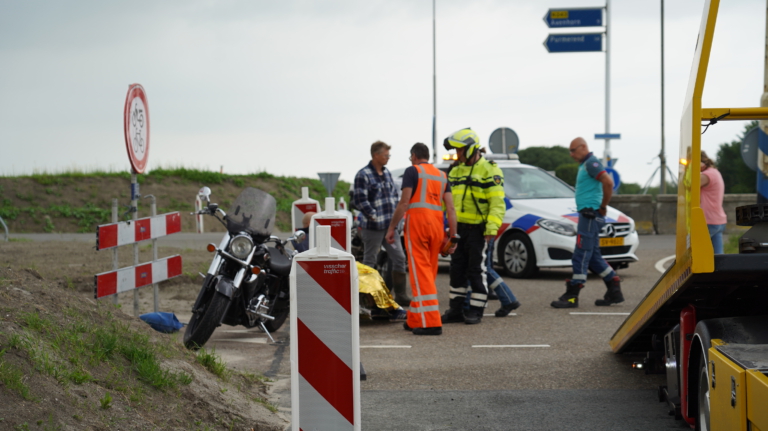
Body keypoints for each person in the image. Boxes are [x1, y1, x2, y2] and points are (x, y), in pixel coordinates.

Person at [386, 143, 457, 335]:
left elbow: (404, 202)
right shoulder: (442, 176)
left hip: (418, 225)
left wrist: (392, 227)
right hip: (437, 228)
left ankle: (432, 323)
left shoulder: (413, 171)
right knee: (428, 273)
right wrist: (453, 237)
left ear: (415, 156)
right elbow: (450, 208)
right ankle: (415, 318)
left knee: (420, 275)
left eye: (411, 158)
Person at [440, 128, 506, 325]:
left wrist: (491, 229)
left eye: (459, 150)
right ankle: (456, 310)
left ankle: (476, 310)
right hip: (458, 230)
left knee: (476, 270)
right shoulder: (455, 170)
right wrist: (446, 226)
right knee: (457, 270)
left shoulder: (490, 169)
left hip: (478, 230)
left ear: (470, 149)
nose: (456, 154)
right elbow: (447, 203)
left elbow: (497, 203)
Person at [551, 137, 623, 308]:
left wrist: (603, 206)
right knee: (593, 257)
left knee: (581, 254)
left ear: (583, 147)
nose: (571, 154)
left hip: (591, 214)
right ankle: (614, 288)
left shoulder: (592, 163)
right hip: (589, 214)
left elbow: (608, 182)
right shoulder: (586, 164)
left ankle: (572, 295)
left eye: (573, 150)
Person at [353, 141, 410, 307]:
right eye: (386, 155)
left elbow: (393, 197)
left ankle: (400, 295)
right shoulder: (363, 175)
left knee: (399, 258)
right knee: (370, 261)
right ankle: (366, 297)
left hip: (390, 227)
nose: (388, 158)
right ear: (375, 155)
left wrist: (396, 221)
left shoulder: (387, 173)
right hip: (373, 227)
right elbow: (360, 200)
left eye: (389, 155)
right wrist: (374, 216)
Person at [700, 151, 727, 254]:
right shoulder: (715, 172)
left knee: (698, 253)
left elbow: (688, 184)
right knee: (718, 257)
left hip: (708, 220)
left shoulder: (706, 175)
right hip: (717, 219)